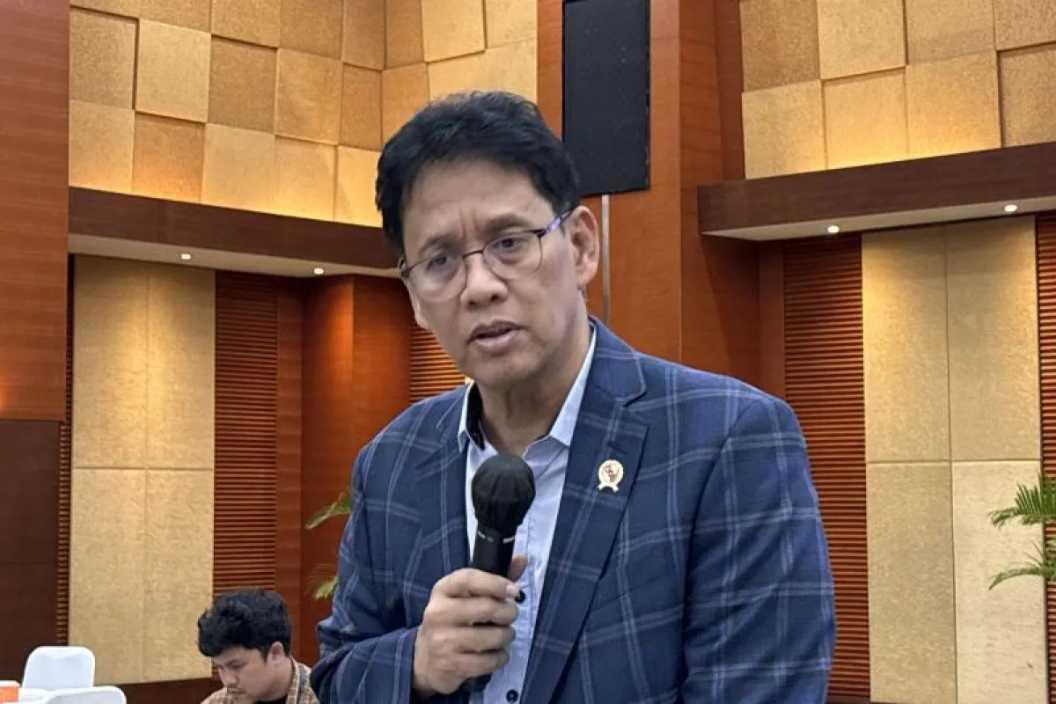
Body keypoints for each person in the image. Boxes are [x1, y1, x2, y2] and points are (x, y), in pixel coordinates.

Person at [311, 91, 834, 703]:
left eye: (509, 242)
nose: (479, 286)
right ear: (414, 297)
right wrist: (417, 664)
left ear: (582, 246)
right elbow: (337, 674)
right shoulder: (392, 462)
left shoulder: (726, 439)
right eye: (441, 259)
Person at [197, 589, 319, 704]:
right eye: (220, 668)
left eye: (236, 666)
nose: (228, 681)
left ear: (276, 653)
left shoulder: (323, 697)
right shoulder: (218, 701)